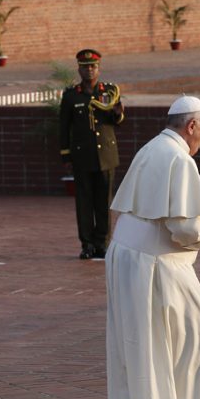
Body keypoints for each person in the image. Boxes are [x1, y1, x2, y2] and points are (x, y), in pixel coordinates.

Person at [105, 95, 200, 399]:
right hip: (155, 266)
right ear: (191, 126)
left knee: (143, 352)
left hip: (129, 258)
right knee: (193, 347)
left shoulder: (152, 146)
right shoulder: (178, 158)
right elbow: (186, 228)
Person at [59, 49, 124, 260]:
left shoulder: (110, 92)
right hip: (82, 156)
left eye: (93, 66)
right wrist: (66, 156)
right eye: (85, 66)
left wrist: (117, 113)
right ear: (79, 68)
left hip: (105, 155)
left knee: (103, 202)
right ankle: (86, 244)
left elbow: (117, 121)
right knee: (84, 202)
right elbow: (64, 128)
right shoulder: (71, 95)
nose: (89, 70)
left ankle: (102, 243)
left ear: (99, 68)